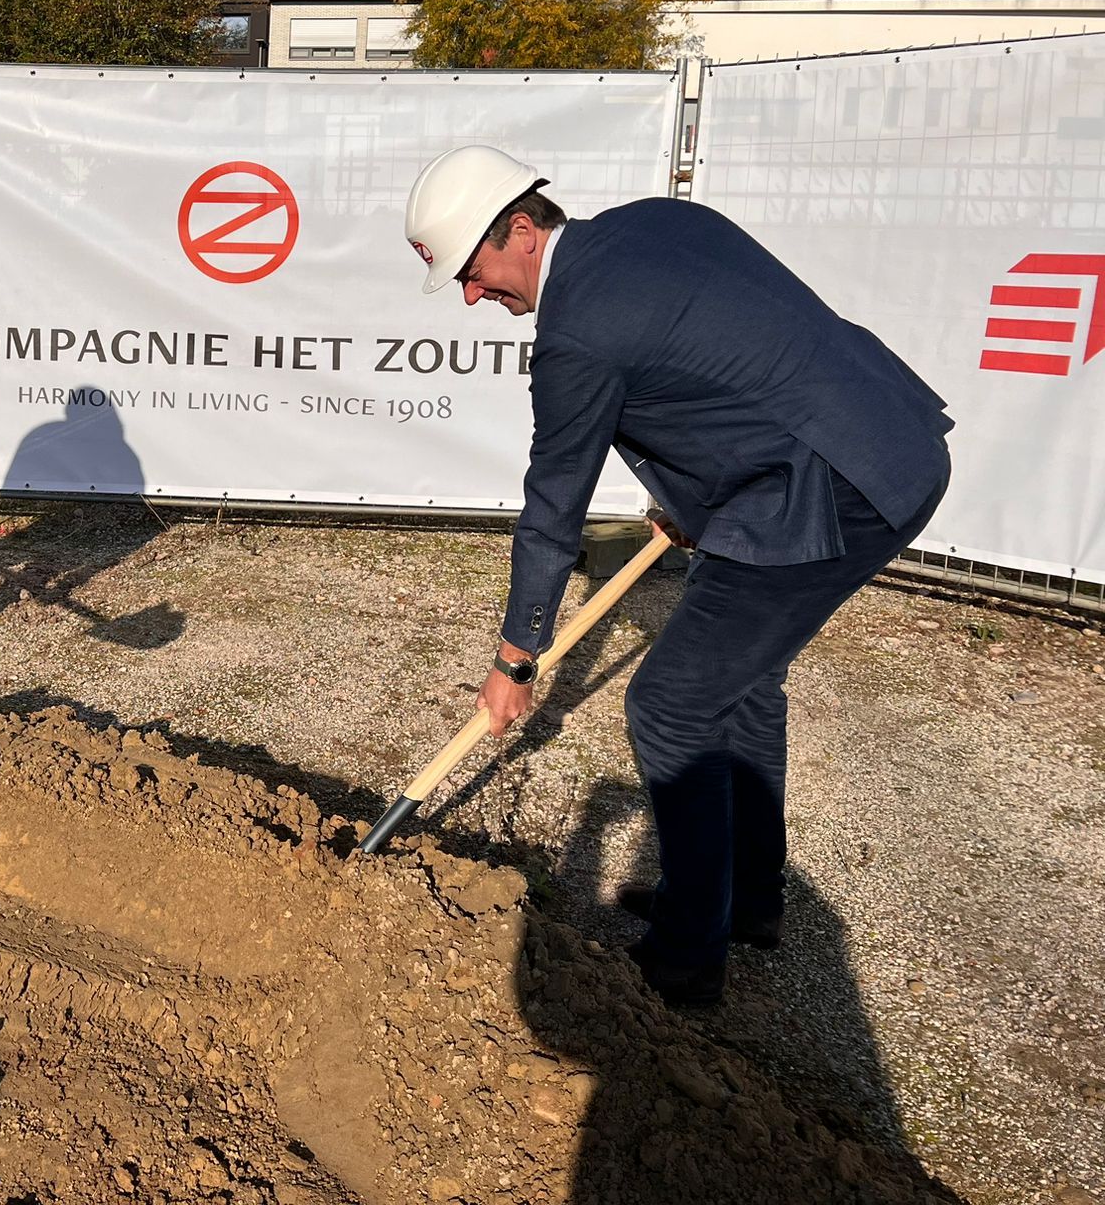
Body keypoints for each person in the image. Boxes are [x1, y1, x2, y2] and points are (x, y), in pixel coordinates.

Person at [404, 144, 951, 1007]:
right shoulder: (657, 222)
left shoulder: (577, 333)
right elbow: (737, 366)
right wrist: (698, 506)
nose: (474, 298)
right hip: (887, 441)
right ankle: (744, 902)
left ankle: (686, 961)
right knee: (743, 683)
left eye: (473, 273)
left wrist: (517, 658)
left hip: (833, 491)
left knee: (671, 704)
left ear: (519, 227)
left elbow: (554, 507)